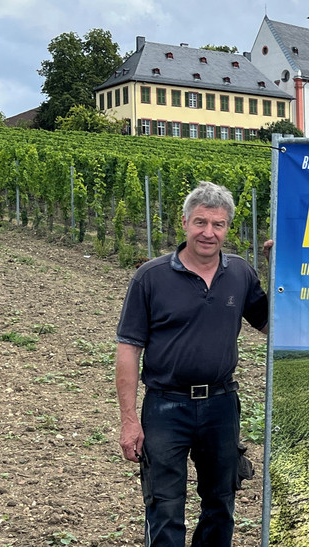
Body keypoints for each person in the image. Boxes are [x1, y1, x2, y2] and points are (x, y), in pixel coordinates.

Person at [115, 181, 269, 546]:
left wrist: (283, 269)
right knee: (164, 504)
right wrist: (129, 420)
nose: (208, 233)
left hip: (220, 403)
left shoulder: (241, 274)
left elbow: (270, 325)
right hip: (166, 405)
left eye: (218, 224)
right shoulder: (150, 277)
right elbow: (127, 349)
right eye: (201, 222)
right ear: (184, 223)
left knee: (220, 503)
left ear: (228, 228)